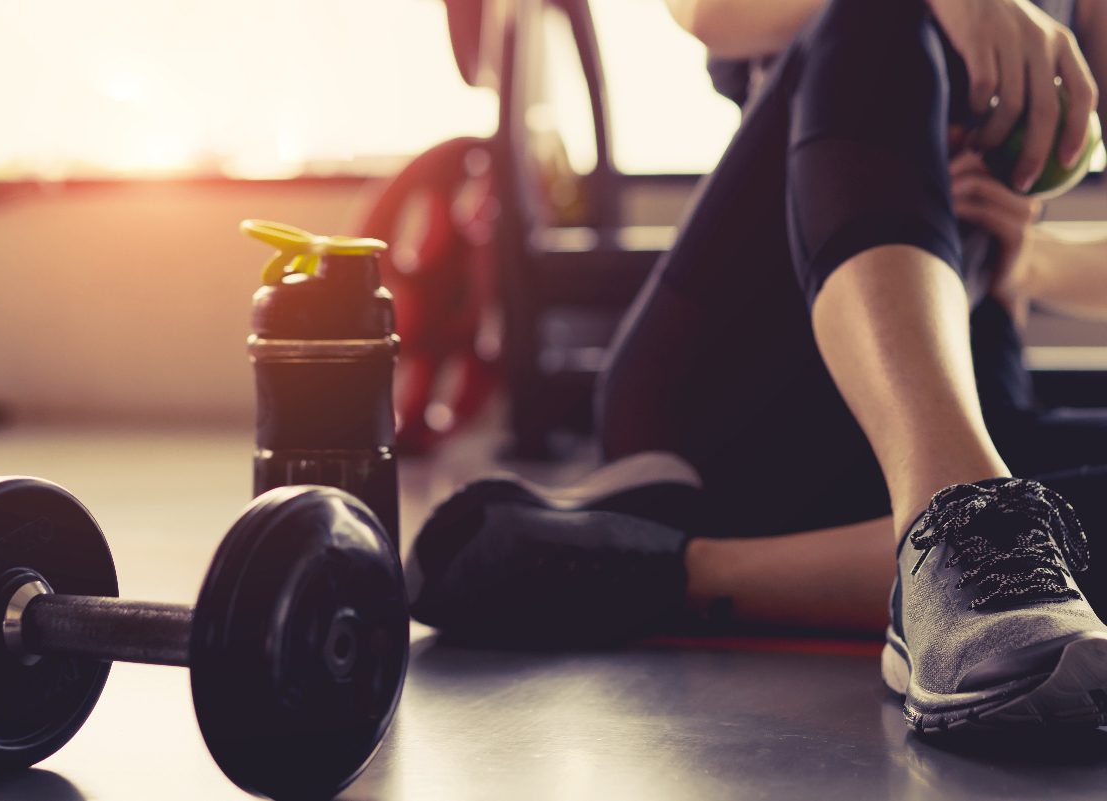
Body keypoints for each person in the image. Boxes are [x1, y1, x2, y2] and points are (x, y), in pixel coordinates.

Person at [407, 0, 1107, 733]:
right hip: (740, 397)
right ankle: (959, 515)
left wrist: (1038, 264)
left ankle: (682, 570)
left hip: (970, 418)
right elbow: (703, 10)